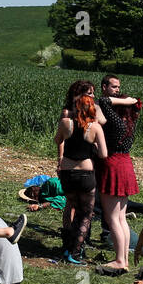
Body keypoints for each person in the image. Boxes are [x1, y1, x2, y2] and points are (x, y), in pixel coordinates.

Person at [94, 75, 143, 274]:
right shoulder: (129, 124)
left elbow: (104, 101)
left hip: (112, 165)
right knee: (121, 218)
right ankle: (123, 259)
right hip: (125, 164)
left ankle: (120, 260)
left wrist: (127, 100)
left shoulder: (116, 122)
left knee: (113, 218)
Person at [55, 93, 108, 265]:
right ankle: (75, 252)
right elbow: (103, 154)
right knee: (85, 214)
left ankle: (67, 246)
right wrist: (93, 145)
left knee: (73, 207)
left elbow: (57, 140)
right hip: (86, 173)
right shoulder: (95, 128)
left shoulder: (66, 123)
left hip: (67, 172)